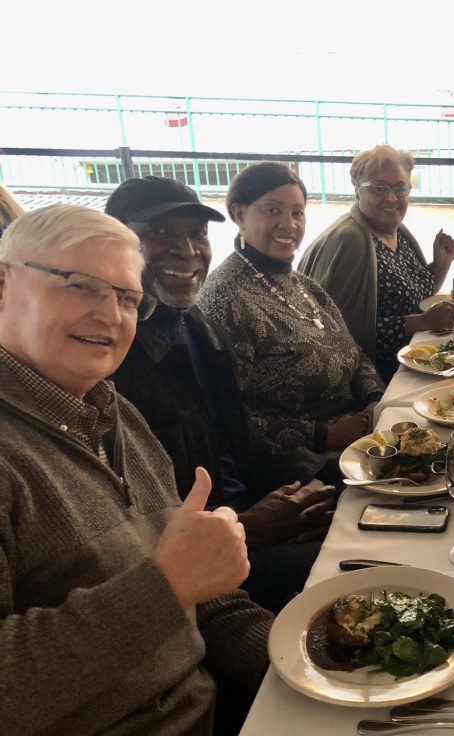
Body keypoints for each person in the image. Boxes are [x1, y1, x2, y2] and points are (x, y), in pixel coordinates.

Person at [0, 205, 271, 734]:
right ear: (3, 284)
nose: (111, 315)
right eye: (81, 286)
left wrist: (313, 665)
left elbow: (206, 603)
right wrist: (164, 586)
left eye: (127, 297)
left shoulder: (113, 412)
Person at [105, 175, 336, 613]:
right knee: (363, 565)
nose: (188, 250)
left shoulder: (197, 328)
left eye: (196, 233)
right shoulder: (115, 361)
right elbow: (139, 526)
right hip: (205, 564)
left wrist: (316, 479)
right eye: (159, 233)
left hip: (250, 511)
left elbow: (237, 444)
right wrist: (253, 525)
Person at [198, 162, 385, 464]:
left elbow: (355, 354)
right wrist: (326, 434)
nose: (289, 224)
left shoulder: (303, 286)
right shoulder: (225, 299)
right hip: (302, 463)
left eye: (297, 212)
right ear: (239, 214)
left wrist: (374, 401)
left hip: (358, 436)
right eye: (272, 210)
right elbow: (229, 418)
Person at [298, 145, 454, 382]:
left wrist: (441, 263)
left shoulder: (396, 232)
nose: (391, 198)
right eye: (379, 188)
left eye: (399, 188)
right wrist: (420, 323)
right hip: (373, 378)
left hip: (413, 362)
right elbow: (338, 332)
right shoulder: (350, 240)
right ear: (357, 191)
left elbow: (413, 298)